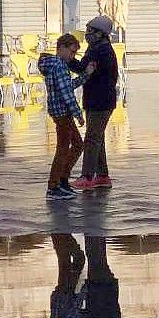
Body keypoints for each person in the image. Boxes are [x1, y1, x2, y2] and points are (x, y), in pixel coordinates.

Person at [39, 34, 95, 201]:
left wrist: (85, 75)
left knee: (77, 144)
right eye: (71, 52)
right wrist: (78, 114)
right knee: (64, 149)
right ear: (61, 48)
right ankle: (54, 185)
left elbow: (67, 86)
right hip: (63, 112)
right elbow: (67, 93)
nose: (73, 57)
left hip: (59, 111)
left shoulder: (53, 65)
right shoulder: (59, 66)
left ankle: (62, 180)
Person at [70, 16, 119, 191]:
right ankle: (102, 176)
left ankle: (87, 176)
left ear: (100, 33)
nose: (87, 34)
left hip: (100, 101)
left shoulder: (100, 50)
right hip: (99, 99)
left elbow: (82, 69)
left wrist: (68, 58)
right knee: (98, 138)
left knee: (91, 139)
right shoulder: (99, 48)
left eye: (90, 31)